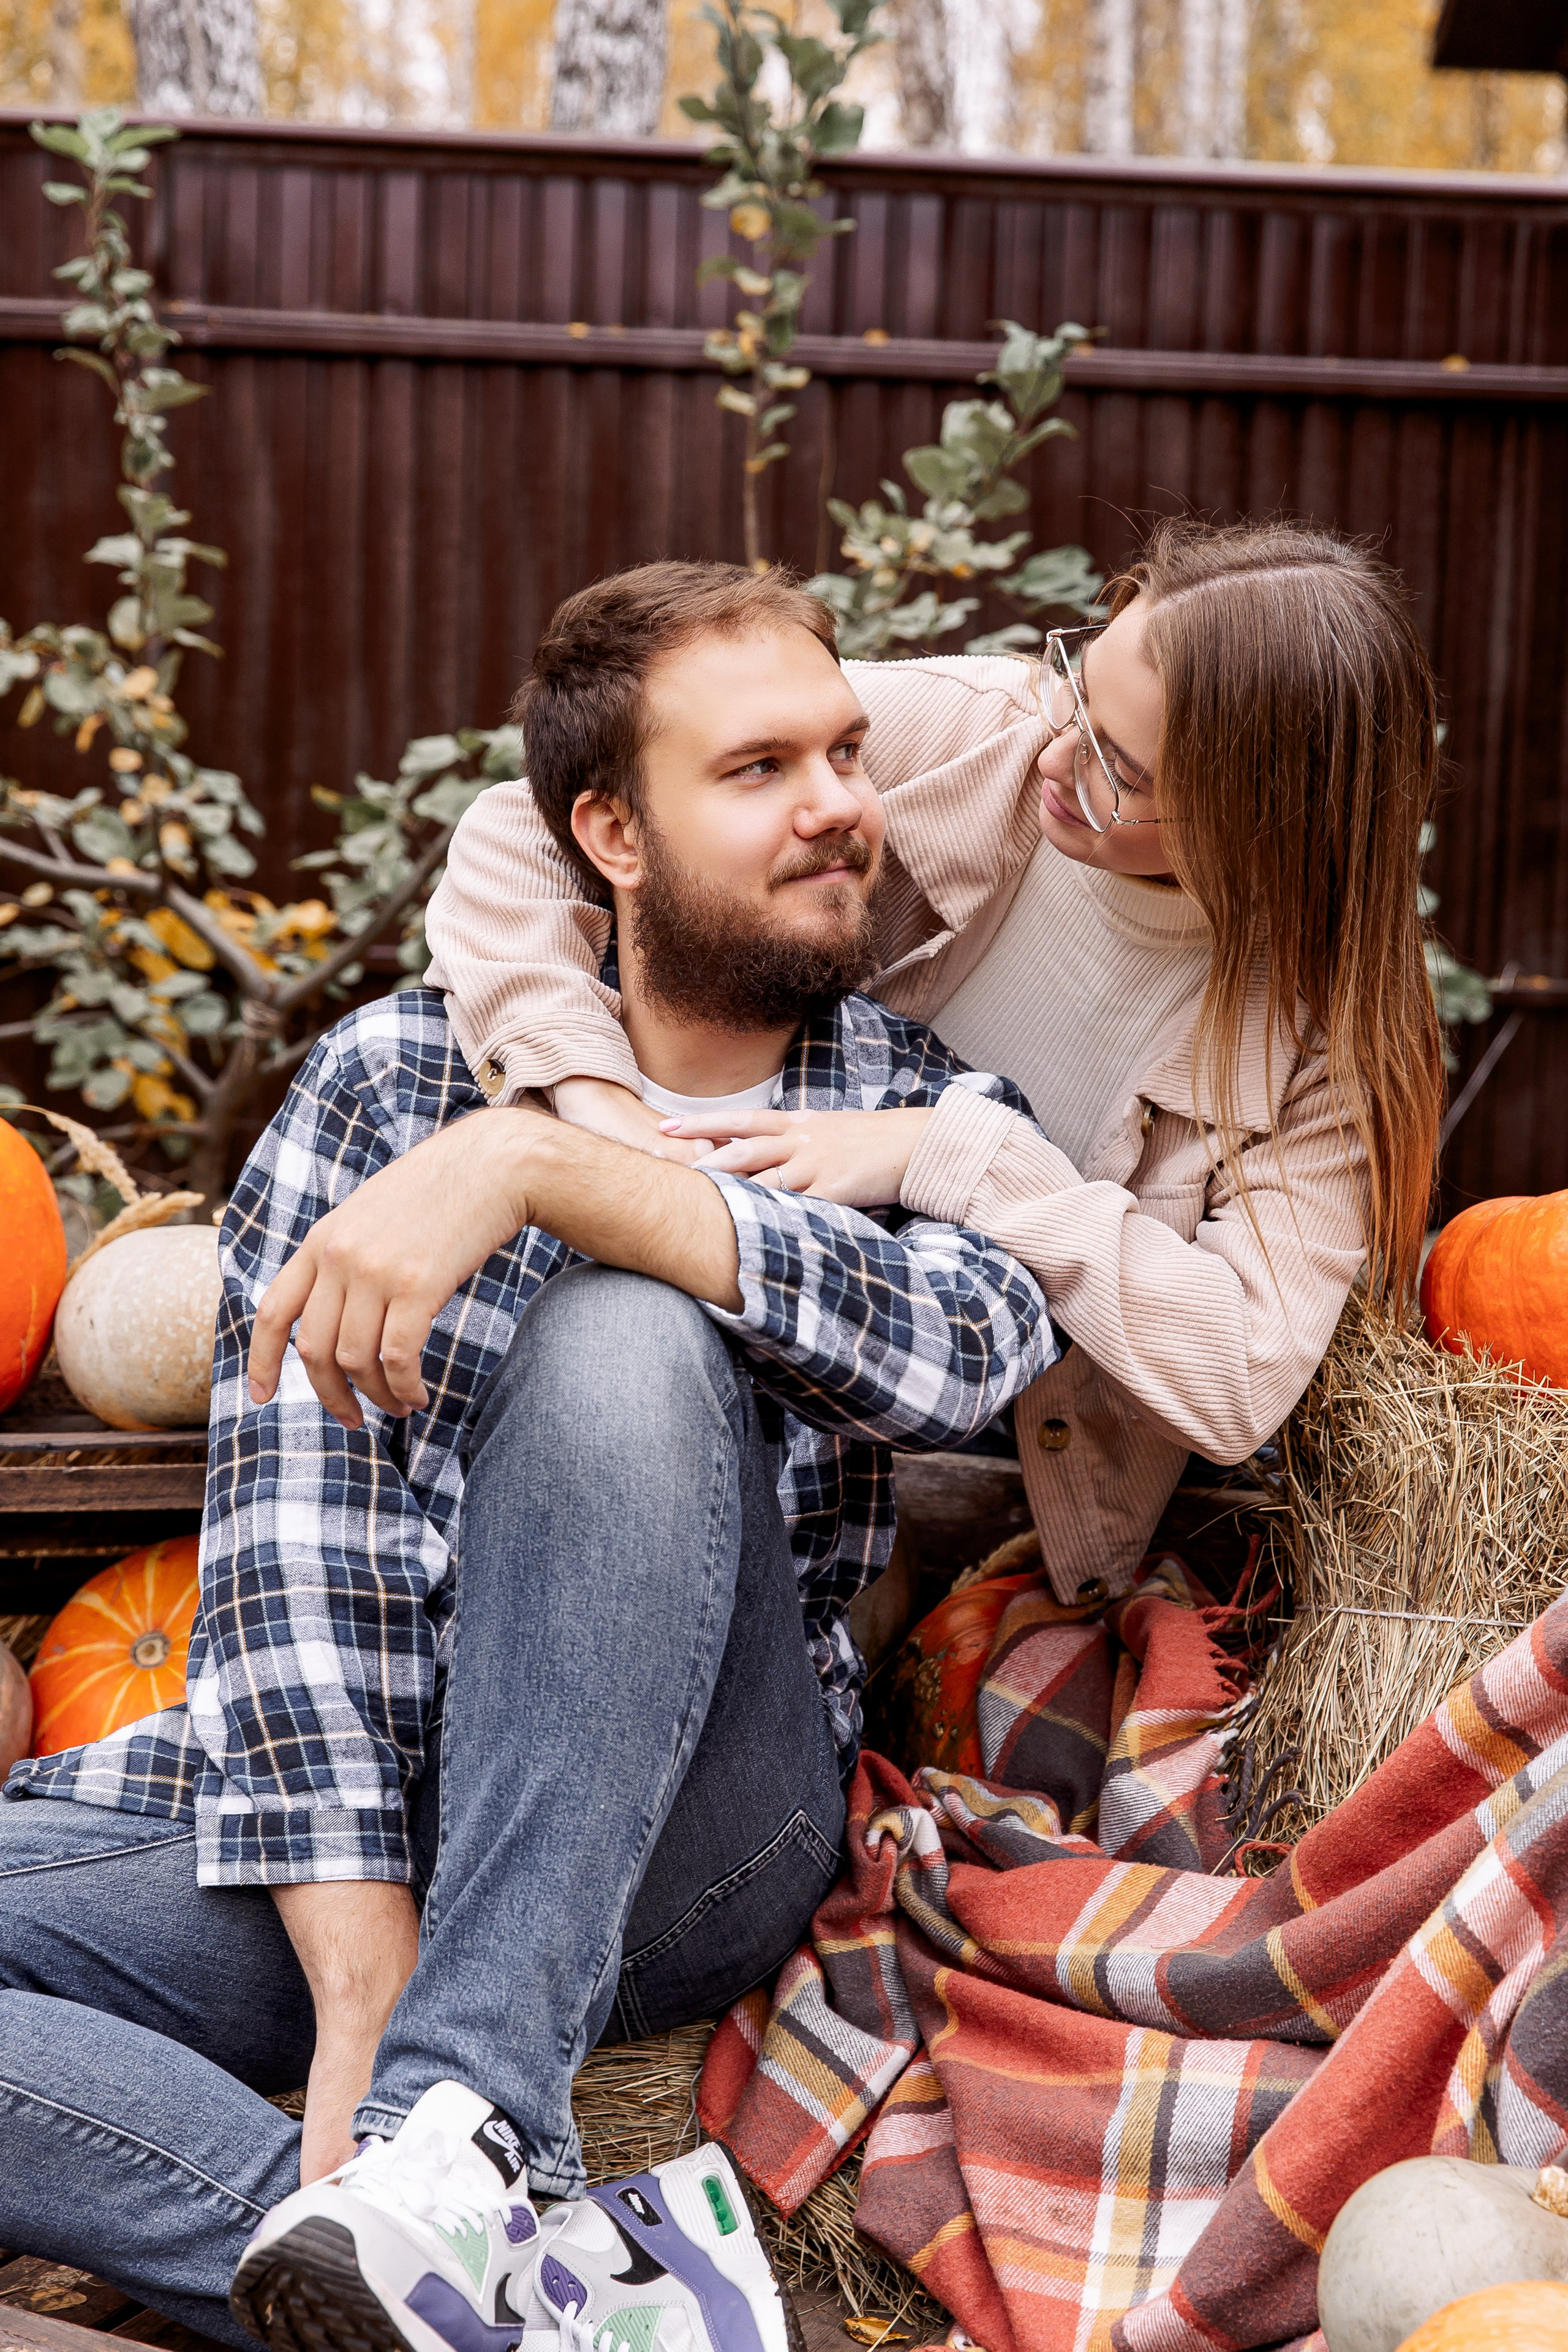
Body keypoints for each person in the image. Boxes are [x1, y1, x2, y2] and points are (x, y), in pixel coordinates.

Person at [0, 563, 1051, 2352]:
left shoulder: (922, 1110)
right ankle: (486, 2293)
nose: (837, 808)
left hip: (693, 1831)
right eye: (760, 769)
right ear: (607, 832)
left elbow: (968, 1353)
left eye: (849, 754)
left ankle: (461, 2116)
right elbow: (295, 1542)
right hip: (373, 1802)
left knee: (623, 1325)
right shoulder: (390, 1086)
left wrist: (574, 1180)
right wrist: (360, 1980)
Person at [418, 518, 1446, 1602]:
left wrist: (957, 1155)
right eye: (1078, 692)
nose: (1057, 757)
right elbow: (528, 826)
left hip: (992, 1470)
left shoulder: (1325, 1039)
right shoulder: (981, 736)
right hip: (744, 1368)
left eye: (1119, 768)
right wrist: (594, 1113)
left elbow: (1238, 1376)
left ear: (1263, 823)